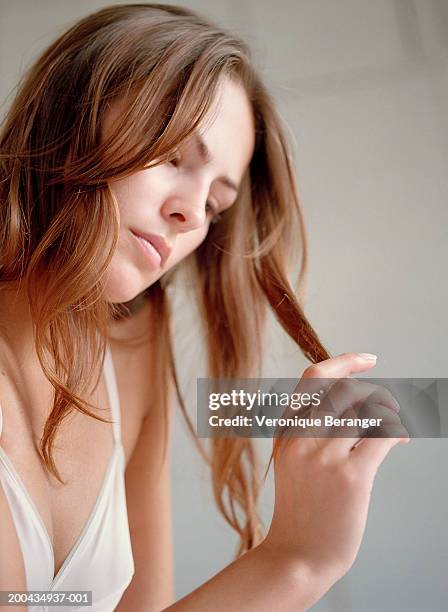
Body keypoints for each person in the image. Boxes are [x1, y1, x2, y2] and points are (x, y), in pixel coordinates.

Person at [0, 4, 409, 611]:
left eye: (217, 203)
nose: (192, 214)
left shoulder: (134, 344)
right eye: (173, 156)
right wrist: (297, 560)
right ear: (74, 113)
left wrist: (299, 555)